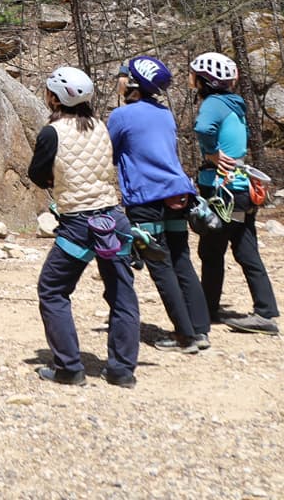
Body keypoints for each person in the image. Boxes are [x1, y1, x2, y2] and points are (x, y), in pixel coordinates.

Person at [29, 66, 140, 388]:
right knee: (121, 293)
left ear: (55, 98)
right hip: (113, 219)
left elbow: (37, 174)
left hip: (78, 223)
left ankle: (69, 367)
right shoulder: (101, 126)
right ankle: (122, 370)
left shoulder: (51, 133)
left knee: (53, 289)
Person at [107, 55, 211, 352]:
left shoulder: (121, 116)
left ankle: (185, 336)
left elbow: (108, 152)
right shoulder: (165, 114)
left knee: (160, 264)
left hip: (146, 197)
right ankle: (200, 330)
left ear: (133, 84)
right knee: (180, 259)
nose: (119, 80)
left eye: (123, 75)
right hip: (178, 194)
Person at [190, 51, 279, 335]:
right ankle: (264, 310)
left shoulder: (214, 103)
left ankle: (209, 309)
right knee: (244, 248)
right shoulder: (234, 104)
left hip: (223, 188)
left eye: (195, 76)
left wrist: (213, 154)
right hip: (239, 187)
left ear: (205, 81)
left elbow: (203, 128)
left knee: (212, 250)